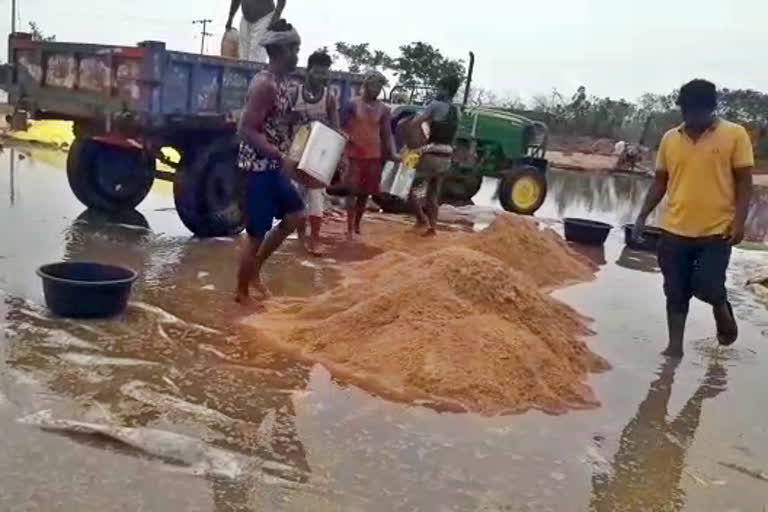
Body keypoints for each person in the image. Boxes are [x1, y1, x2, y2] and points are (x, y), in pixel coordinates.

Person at [633, 79, 754, 357]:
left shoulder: (735, 135)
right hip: (674, 229)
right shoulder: (670, 138)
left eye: (699, 111)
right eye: (688, 111)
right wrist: (642, 215)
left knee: (707, 284)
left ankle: (721, 308)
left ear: (712, 109)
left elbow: (745, 183)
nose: (693, 117)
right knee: (674, 291)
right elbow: (660, 182)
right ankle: (674, 347)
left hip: (716, 231)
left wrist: (739, 222)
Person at [235, 19, 303, 305]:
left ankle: (255, 271)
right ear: (279, 50)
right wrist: (279, 155)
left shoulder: (285, 83)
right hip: (259, 170)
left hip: (275, 168)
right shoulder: (264, 84)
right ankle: (241, 293)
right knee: (255, 235)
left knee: (294, 216)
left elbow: (277, 122)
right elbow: (246, 129)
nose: (297, 54)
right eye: (294, 49)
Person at [292, 50, 340, 256]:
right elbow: (283, 121)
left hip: (319, 154)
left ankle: (315, 240)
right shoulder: (295, 93)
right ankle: (301, 238)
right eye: (317, 72)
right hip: (296, 151)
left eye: (324, 73)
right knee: (297, 197)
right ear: (308, 71)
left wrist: (337, 158)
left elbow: (336, 130)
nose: (321, 77)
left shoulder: (329, 99)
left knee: (317, 197)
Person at [341, 70, 397, 240]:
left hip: (373, 155)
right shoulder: (352, 104)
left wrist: (393, 152)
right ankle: (349, 227)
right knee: (351, 190)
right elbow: (341, 128)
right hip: (353, 155)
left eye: (380, 86)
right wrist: (344, 147)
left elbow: (387, 134)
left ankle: (357, 225)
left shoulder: (384, 109)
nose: (377, 89)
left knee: (365, 193)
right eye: (374, 85)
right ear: (365, 85)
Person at [407, 74, 461, 236]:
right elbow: (455, 136)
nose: (438, 90)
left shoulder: (435, 105)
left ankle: (420, 219)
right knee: (433, 195)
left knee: (410, 190)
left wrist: (413, 144)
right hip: (446, 157)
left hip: (432, 154)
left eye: (440, 87)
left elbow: (416, 123)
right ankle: (432, 228)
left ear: (445, 89)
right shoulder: (457, 111)